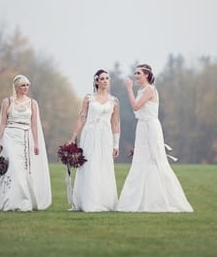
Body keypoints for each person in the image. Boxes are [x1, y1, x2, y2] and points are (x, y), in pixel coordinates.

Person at [117, 64, 193, 212]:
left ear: (146, 75)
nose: (135, 75)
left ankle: (160, 200)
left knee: (155, 160)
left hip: (151, 127)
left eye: (138, 73)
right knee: (141, 161)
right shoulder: (141, 90)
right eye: (135, 73)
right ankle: (139, 200)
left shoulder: (150, 89)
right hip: (142, 127)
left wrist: (128, 88)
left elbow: (136, 106)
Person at [0, 74, 51, 211]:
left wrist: (36, 143)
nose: (26, 87)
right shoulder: (7, 102)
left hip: (25, 137)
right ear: (16, 87)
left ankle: (23, 200)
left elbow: (34, 125)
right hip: (10, 136)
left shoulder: (33, 103)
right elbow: (2, 123)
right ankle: (7, 200)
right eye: (23, 85)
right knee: (12, 167)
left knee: (22, 169)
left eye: (27, 85)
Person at [67, 69, 120, 212]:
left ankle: (104, 201)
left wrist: (116, 144)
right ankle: (88, 201)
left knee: (104, 165)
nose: (105, 81)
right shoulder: (88, 98)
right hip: (90, 134)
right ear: (96, 81)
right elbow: (82, 118)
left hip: (105, 136)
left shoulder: (114, 101)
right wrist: (73, 138)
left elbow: (115, 123)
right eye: (102, 78)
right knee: (90, 165)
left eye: (107, 78)